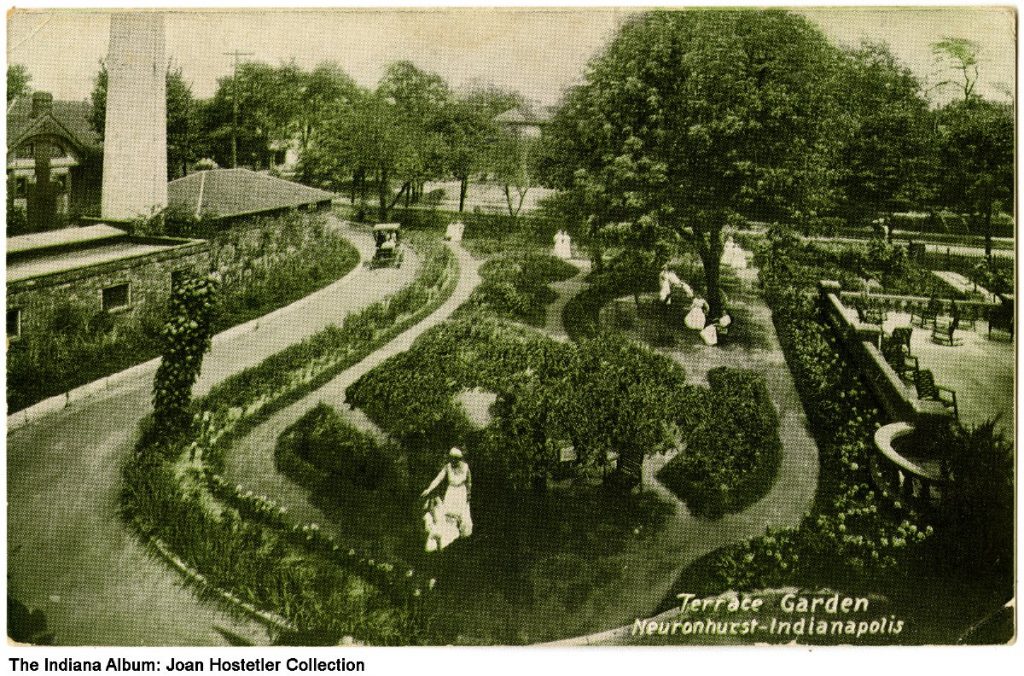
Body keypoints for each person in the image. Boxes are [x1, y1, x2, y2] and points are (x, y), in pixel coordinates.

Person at [421, 448, 473, 551]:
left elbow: (469, 482)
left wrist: (468, 494)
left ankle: (458, 540)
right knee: (448, 516)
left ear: (459, 459)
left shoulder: (466, 467)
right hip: (451, 492)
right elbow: (438, 479)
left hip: (461, 492)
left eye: (455, 459)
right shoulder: (448, 467)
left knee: (459, 516)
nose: (453, 461)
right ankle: (445, 540)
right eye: (452, 459)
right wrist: (429, 489)